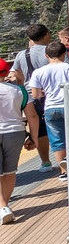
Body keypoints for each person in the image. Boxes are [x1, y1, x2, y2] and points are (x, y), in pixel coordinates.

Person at [30, 37, 69, 174]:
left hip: (51, 108)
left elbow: (36, 95)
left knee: (57, 141)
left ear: (46, 55)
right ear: (64, 54)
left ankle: (64, 171)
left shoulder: (38, 72)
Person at [11, 25, 51, 169]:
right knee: (60, 127)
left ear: (30, 38)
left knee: (40, 130)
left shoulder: (22, 54)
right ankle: (65, 161)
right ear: (47, 35)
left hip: (31, 97)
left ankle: (46, 162)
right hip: (52, 95)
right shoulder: (52, 51)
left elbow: (15, 73)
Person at [0, 62, 26, 221]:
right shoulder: (18, 90)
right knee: (9, 172)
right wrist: (34, 138)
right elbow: (32, 116)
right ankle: (5, 206)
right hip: (15, 133)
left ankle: (3, 206)